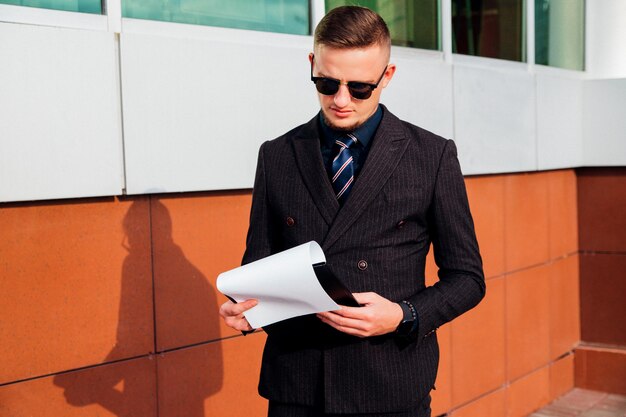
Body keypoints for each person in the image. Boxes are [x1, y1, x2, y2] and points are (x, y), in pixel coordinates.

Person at [219, 6, 485, 417]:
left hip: (389, 383)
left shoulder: (431, 156)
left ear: (387, 77)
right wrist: (247, 310)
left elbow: (467, 278)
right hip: (298, 383)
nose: (341, 100)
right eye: (326, 83)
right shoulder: (277, 155)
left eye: (360, 88)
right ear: (312, 65)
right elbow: (259, 266)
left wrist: (403, 314)